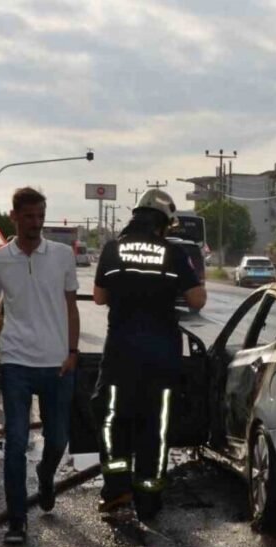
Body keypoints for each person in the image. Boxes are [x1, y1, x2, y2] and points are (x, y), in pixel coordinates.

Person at [92, 189, 206, 519]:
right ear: (164, 223)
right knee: (155, 427)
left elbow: (99, 298)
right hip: (161, 357)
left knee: (113, 419)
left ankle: (116, 490)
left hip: (120, 355)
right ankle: (149, 501)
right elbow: (197, 301)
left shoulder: (113, 249)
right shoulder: (173, 254)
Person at [0, 187, 81, 545]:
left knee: (58, 439)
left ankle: (45, 474)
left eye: (41, 216)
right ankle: (17, 520)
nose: (36, 223)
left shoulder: (60, 256)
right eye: (29, 217)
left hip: (57, 363)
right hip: (15, 363)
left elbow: (72, 306)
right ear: (14, 217)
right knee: (15, 442)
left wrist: (72, 352)